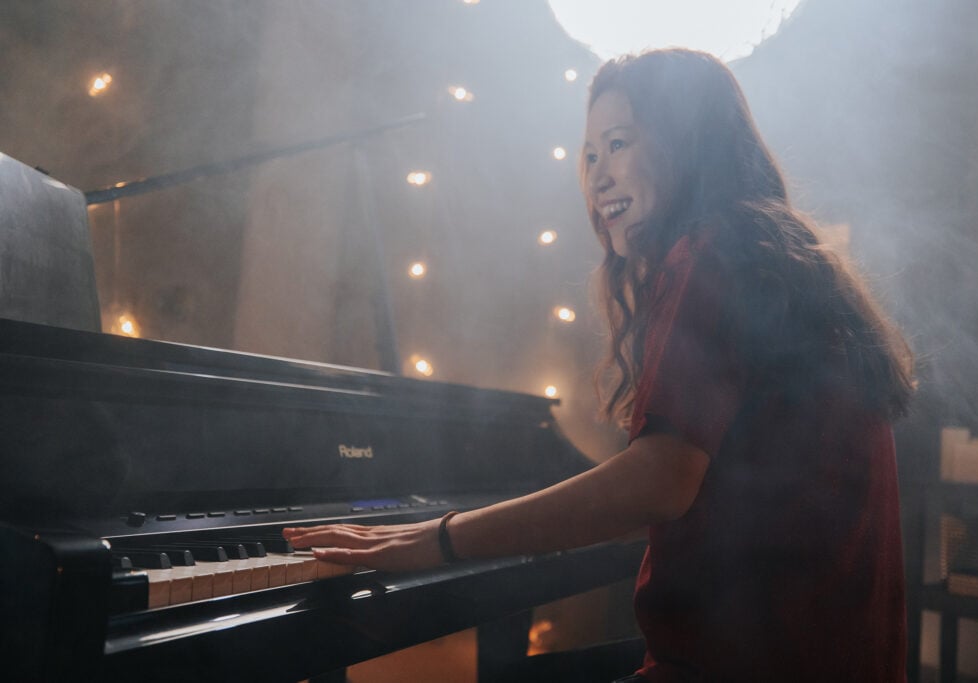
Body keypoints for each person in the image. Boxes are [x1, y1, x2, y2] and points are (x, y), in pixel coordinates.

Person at [283, 48, 915, 682]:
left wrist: (440, 537)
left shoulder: (711, 253)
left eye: (618, 144)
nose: (597, 175)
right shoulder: (777, 257)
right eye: (589, 156)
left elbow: (659, 481)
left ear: (687, 141)